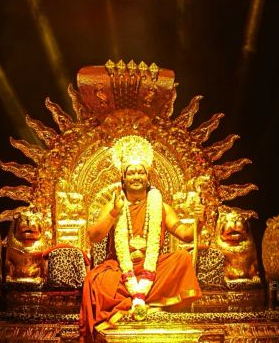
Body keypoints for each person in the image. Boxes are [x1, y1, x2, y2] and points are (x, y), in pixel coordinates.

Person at [79, 144, 205, 342]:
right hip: (121, 270)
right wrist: (114, 212)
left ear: (148, 177)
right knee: (96, 281)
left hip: (153, 269)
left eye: (141, 172)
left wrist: (200, 220)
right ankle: (144, 301)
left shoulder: (161, 206)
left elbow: (186, 235)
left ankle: (143, 302)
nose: (136, 177)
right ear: (123, 178)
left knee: (182, 258)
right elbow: (94, 236)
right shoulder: (114, 203)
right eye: (131, 173)